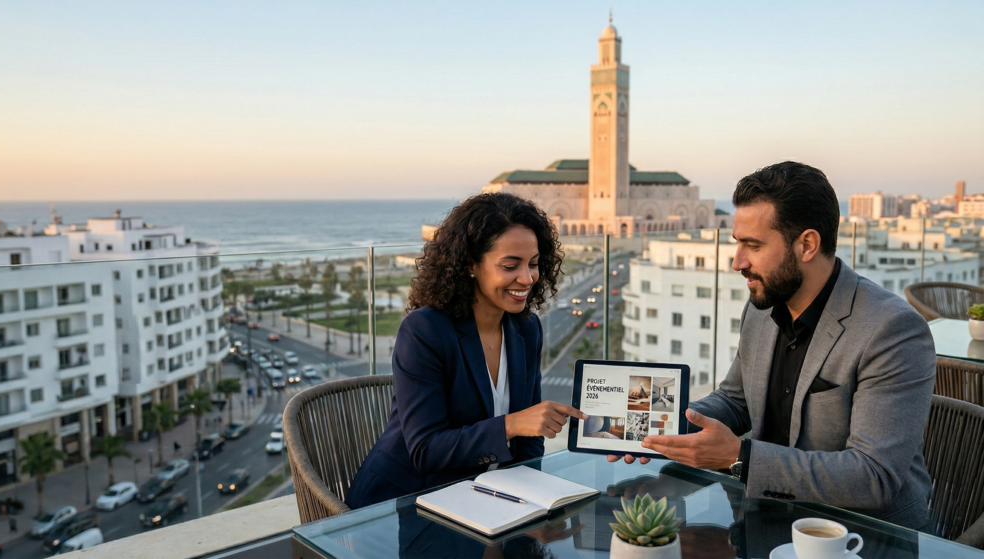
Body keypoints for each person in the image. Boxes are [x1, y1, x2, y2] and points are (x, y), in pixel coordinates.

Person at [609, 161, 935, 530]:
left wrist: (739, 456)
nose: (737, 262)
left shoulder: (892, 329)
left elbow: (872, 477)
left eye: (753, 245)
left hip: (864, 537)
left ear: (807, 245)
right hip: (766, 522)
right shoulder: (763, 306)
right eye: (737, 243)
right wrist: (658, 425)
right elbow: (735, 400)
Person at [345, 192, 586, 509]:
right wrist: (511, 424)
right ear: (471, 264)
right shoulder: (424, 331)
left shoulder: (526, 329)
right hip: (403, 502)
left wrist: (534, 501)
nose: (527, 278)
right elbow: (425, 449)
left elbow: (529, 441)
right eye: (510, 265)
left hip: (482, 497)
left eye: (534, 264)